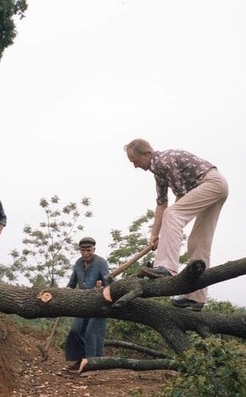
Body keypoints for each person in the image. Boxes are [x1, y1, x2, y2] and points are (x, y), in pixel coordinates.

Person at [124, 138, 229, 311]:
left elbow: (179, 198)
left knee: (173, 214)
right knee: (198, 241)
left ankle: (166, 266)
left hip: (211, 184)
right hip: (216, 187)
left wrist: (168, 230)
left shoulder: (165, 160)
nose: (135, 166)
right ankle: (196, 298)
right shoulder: (158, 171)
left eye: (135, 161)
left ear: (147, 154)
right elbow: (161, 203)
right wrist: (155, 235)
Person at [64, 237, 110, 373]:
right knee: (75, 331)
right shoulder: (78, 263)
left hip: (98, 305)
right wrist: (62, 294)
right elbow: (71, 284)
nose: (85, 254)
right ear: (80, 251)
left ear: (93, 250)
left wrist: (101, 287)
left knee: (92, 334)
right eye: (83, 251)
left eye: (88, 250)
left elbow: (109, 283)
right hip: (82, 304)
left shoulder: (101, 263)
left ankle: (92, 365)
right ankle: (80, 360)